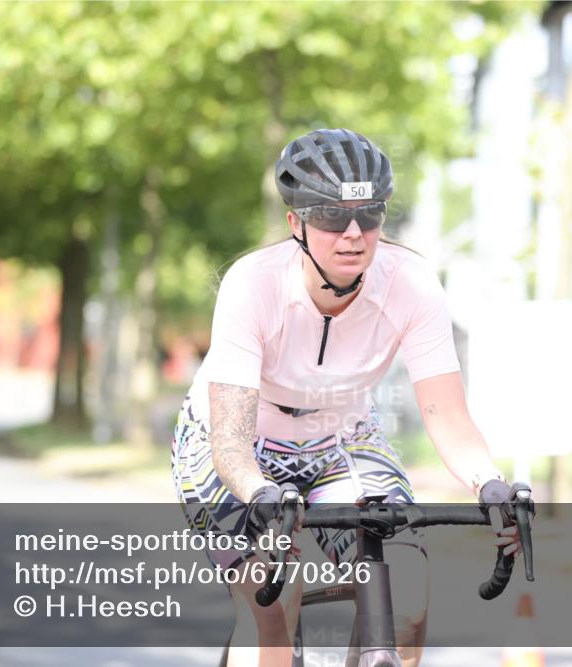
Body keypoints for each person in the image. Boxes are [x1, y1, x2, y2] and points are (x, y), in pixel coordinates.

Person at [171, 128, 521, 667]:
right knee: (273, 602)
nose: (353, 234)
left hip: (340, 439)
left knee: (407, 600)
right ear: (297, 224)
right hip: (236, 447)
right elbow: (232, 445)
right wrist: (261, 493)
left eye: (370, 215)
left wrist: (490, 483)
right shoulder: (254, 285)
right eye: (333, 218)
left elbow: (448, 418)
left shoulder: (410, 283)